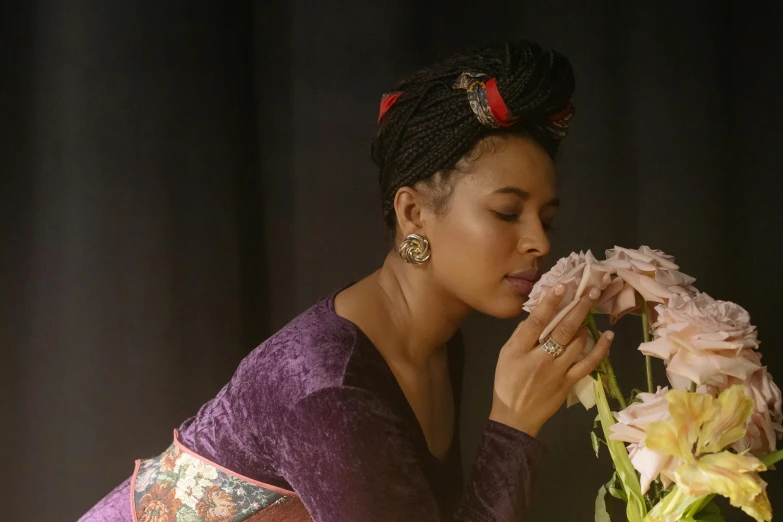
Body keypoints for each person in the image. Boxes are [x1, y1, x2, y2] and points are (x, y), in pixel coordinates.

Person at [79, 39, 614, 522]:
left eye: (545, 219)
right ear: (413, 214)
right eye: (506, 213)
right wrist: (513, 426)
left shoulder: (435, 345)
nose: (540, 243)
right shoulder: (330, 388)